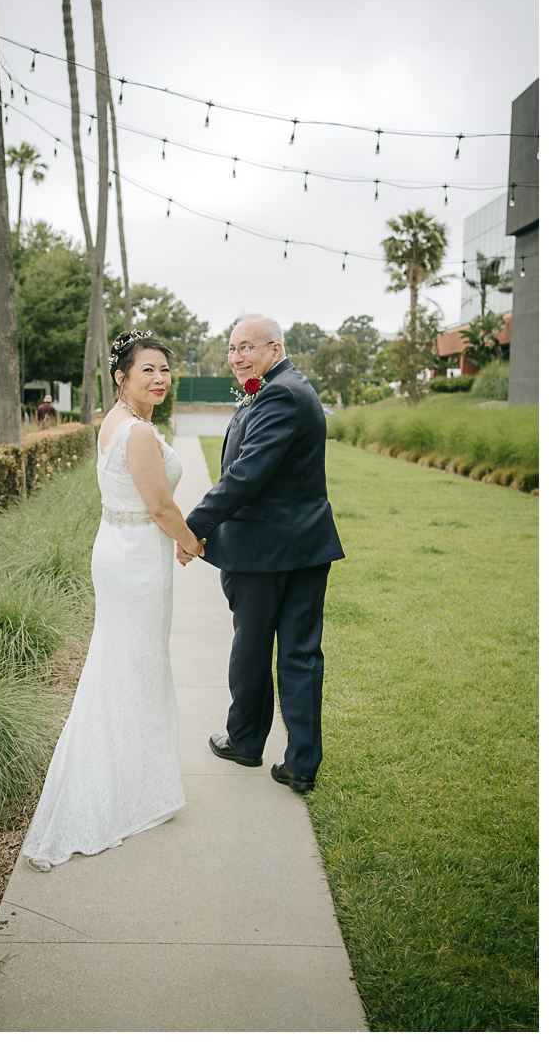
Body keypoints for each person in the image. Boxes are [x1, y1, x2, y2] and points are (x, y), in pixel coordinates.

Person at [23, 330, 204, 871]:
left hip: (121, 550)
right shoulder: (140, 435)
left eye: (165, 371)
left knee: (125, 664)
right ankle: (116, 789)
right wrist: (192, 542)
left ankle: (131, 778)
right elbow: (161, 506)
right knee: (136, 666)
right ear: (121, 376)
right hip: (137, 561)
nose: (160, 379)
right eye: (147, 369)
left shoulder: (115, 422)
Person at [178, 315, 344, 793]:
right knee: (300, 654)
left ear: (276, 347)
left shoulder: (278, 393)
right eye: (231, 349)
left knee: (253, 650)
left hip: (264, 549)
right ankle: (301, 763)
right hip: (303, 546)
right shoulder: (288, 386)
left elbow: (246, 476)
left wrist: (192, 528)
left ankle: (246, 742)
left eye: (247, 347)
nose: (236, 357)